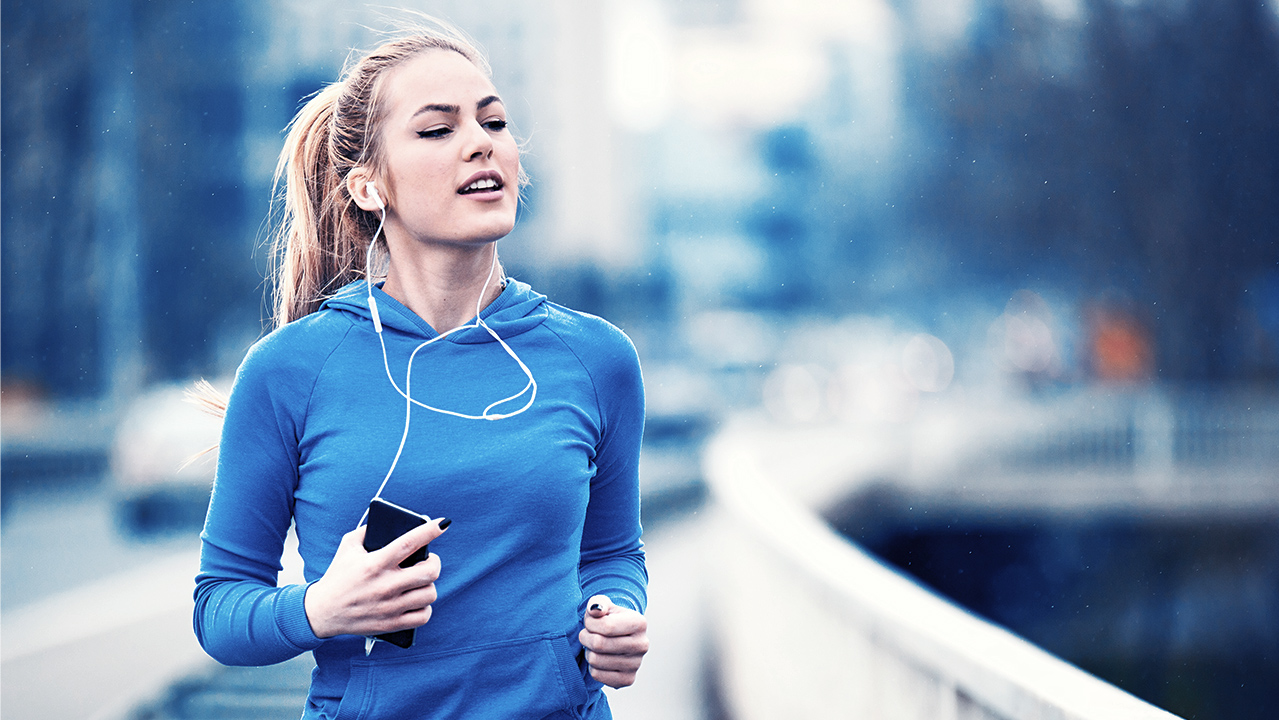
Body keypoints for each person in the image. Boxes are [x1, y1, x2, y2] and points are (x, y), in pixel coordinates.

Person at [193, 17, 649, 720]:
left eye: (493, 122)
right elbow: (220, 607)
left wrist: (614, 614)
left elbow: (614, 551)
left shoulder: (596, 358)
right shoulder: (289, 371)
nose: (480, 143)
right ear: (370, 187)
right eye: (437, 130)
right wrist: (321, 608)